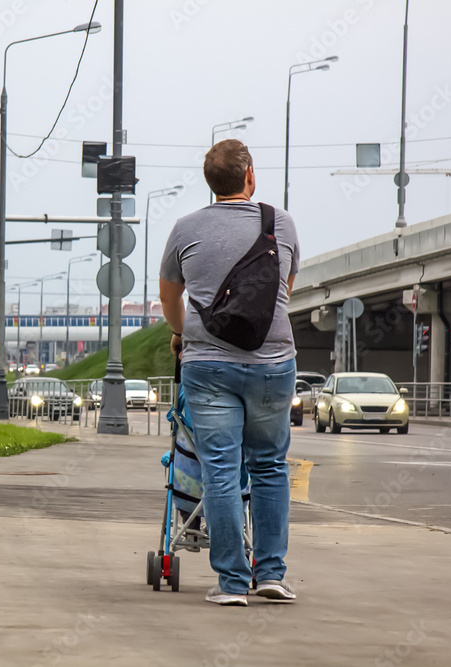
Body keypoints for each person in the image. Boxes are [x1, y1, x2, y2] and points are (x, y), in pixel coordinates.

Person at [159, 139, 300, 607]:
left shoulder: (184, 229)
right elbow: (283, 291)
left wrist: (183, 334)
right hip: (273, 363)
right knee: (269, 466)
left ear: (209, 183)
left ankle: (232, 584)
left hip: (208, 364)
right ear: (250, 176)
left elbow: (169, 300)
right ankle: (272, 574)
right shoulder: (280, 224)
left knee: (221, 470)